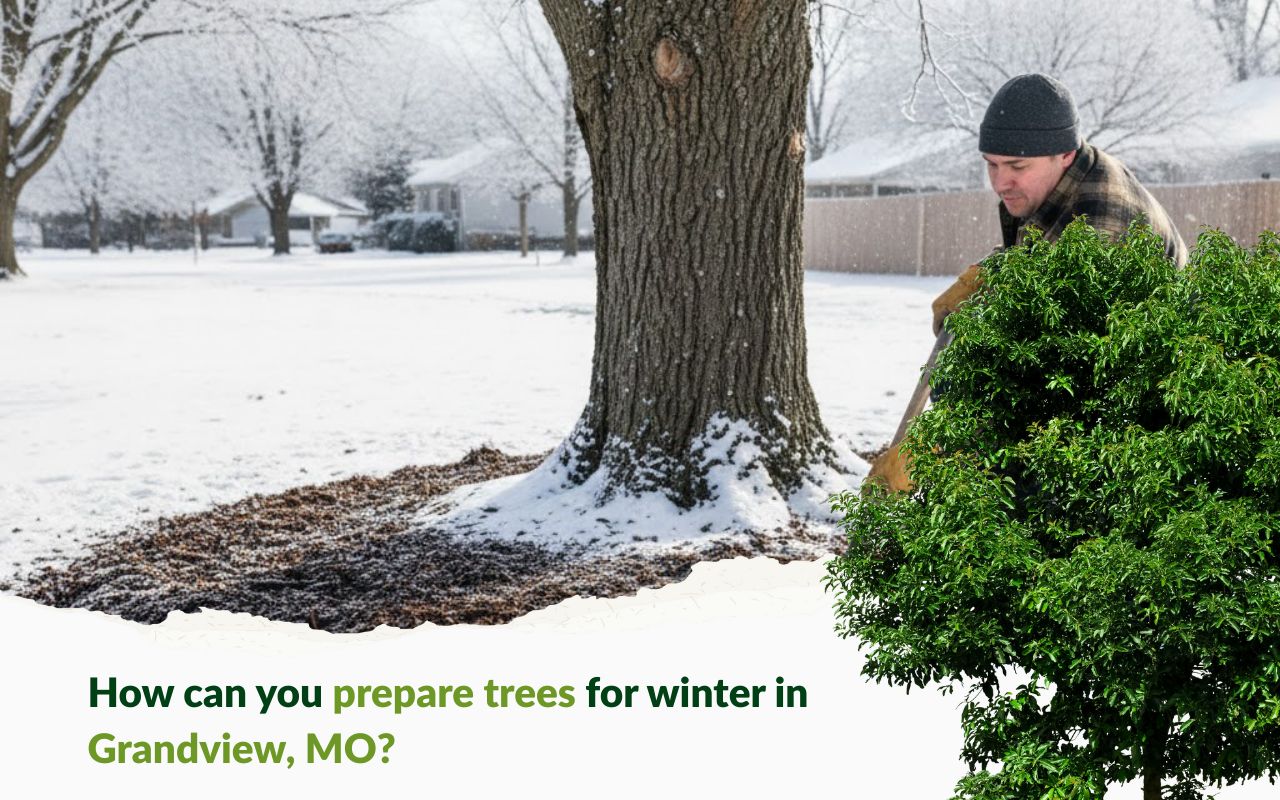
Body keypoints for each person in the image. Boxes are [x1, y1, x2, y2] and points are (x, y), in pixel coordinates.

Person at [867, 73, 1188, 492]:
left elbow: (1051, 379)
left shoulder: (1102, 226)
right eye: (992, 164)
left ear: (1065, 155)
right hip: (1094, 377)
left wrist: (937, 451)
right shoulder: (1058, 184)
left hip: (1140, 419)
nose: (1001, 182)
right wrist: (994, 271)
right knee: (964, 356)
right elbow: (1041, 264)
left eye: (1017, 166)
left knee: (980, 376)